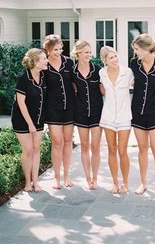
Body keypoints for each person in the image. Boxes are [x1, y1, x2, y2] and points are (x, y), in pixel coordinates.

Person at [131, 34, 155, 196]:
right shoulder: (134, 64)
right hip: (137, 111)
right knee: (142, 149)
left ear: (147, 49)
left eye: (137, 49)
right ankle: (143, 183)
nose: (135, 53)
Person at [11, 48, 48, 192]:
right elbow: (20, 103)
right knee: (28, 150)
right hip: (21, 119)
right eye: (44, 58)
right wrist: (30, 124)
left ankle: (36, 182)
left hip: (38, 118)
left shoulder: (43, 76)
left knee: (36, 149)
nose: (46, 61)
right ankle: (28, 182)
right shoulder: (23, 78)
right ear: (35, 62)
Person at [99, 46, 134, 194]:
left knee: (122, 150)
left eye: (115, 56)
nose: (115, 60)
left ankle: (125, 183)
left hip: (125, 116)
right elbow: (102, 90)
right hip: (108, 116)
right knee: (111, 150)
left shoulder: (128, 72)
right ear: (105, 60)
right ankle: (115, 183)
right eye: (111, 58)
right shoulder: (102, 73)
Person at [43, 35, 75, 189]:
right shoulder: (44, 64)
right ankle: (56, 178)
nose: (59, 51)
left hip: (69, 107)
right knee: (57, 143)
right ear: (47, 49)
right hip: (52, 109)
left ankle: (67, 176)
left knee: (68, 142)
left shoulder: (69, 62)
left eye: (61, 48)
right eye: (55, 49)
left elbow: (76, 83)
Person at [70, 40, 103, 190]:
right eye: (86, 52)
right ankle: (87, 178)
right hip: (80, 112)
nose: (89, 55)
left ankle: (95, 178)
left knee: (95, 146)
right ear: (78, 53)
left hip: (97, 113)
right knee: (84, 146)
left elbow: (104, 90)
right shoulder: (72, 71)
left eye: (90, 52)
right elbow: (71, 89)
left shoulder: (98, 70)